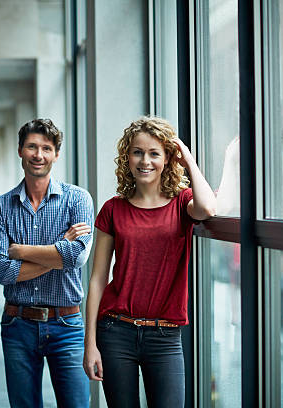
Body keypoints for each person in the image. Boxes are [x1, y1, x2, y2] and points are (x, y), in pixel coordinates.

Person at [83, 116, 217, 407]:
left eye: (155, 153)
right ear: (127, 157)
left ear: (168, 158)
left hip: (165, 336)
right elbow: (97, 279)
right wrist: (89, 343)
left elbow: (207, 207)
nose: (145, 161)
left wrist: (189, 161)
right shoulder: (113, 209)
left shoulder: (183, 203)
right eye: (137, 152)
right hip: (116, 331)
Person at [0, 118, 94, 408]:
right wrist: (60, 251)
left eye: (46, 148)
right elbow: (3, 272)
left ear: (56, 154)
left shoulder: (78, 199)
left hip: (67, 324)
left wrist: (21, 251)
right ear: (20, 150)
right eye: (32, 146)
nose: (38, 154)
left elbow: (77, 257)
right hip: (17, 324)